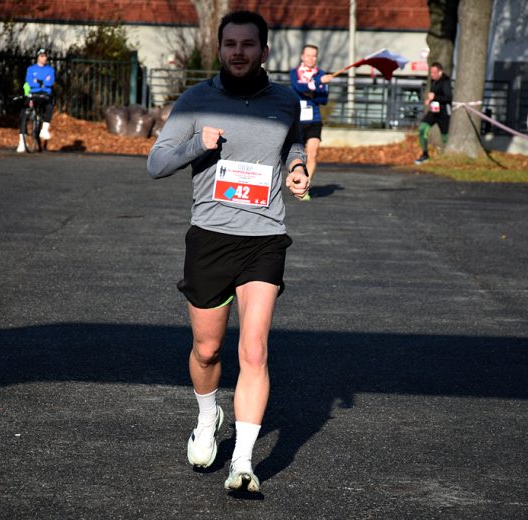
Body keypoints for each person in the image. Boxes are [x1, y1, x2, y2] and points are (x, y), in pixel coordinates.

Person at [147, 10, 309, 493]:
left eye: (248, 44)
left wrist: (298, 167)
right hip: (210, 238)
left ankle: (242, 463)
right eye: (231, 44)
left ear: (264, 51)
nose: (239, 51)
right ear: (219, 50)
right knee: (208, 348)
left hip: (264, 238)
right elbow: (156, 164)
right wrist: (199, 142)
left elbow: (291, 145)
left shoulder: (286, 99)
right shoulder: (197, 99)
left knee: (254, 349)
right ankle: (207, 414)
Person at [290, 45, 332, 200]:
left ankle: (305, 185)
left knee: (312, 154)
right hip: (297, 119)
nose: (311, 58)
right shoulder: (295, 73)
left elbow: (324, 99)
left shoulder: (321, 74)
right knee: (297, 155)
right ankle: (296, 179)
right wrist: (316, 84)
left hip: (314, 119)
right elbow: (299, 88)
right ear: (302, 57)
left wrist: (311, 92)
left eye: (314, 56)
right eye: (308, 55)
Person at [17, 49, 55, 152]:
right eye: (42, 56)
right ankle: (22, 141)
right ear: (38, 57)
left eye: (45, 56)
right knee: (23, 114)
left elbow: (50, 82)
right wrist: (42, 82)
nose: (44, 58)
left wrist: (37, 81)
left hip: (44, 94)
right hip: (33, 94)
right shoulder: (31, 69)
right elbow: (29, 82)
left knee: (50, 107)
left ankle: (44, 130)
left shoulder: (50, 69)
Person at [414, 62, 452, 164]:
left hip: (443, 114)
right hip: (433, 112)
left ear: (440, 72)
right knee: (422, 129)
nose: (432, 75)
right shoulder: (433, 81)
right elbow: (433, 94)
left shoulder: (445, 81)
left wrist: (435, 97)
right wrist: (429, 100)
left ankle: (447, 157)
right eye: (431, 72)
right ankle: (425, 154)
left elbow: (449, 98)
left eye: (434, 73)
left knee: (445, 137)